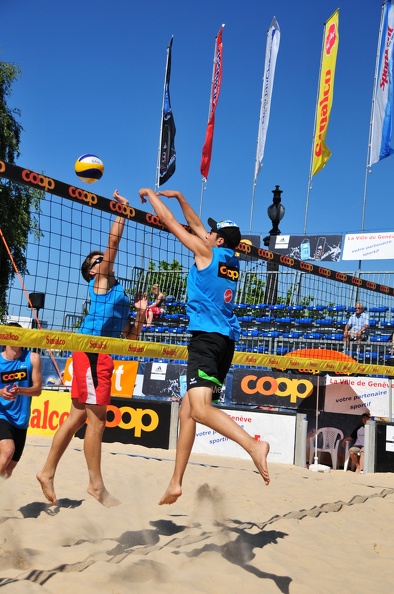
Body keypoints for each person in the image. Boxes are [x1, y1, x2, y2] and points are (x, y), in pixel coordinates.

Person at [138, 188, 270, 505]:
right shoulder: (229, 260)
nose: (205, 232)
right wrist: (181, 197)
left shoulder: (206, 253)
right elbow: (195, 224)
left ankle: (253, 446)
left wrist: (151, 195)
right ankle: (175, 483)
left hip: (206, 340)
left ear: (218, 240)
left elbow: (171, 223)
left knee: (198, 409)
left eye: (212, 232)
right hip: (225, 340)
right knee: (187, 411)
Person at [37, 189, 147, 507]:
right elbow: (113, 244)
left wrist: (139, 314)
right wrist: (122, 211)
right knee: (96, 420)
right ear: (92, 271)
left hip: (103, 354)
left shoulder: (119, 293)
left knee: (76, 418)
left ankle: (46, 472)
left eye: (103, 259)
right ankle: (96, 485)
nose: (105, 259)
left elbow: (132, 338)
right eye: (98, 260)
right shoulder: (100, 283)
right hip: (90, 352)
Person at [0, 322, 42, 478]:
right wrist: (1, 393)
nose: (17, 338)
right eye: (12, 335)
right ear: (5, 337)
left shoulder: (32, 358)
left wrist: (21, 390)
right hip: (2, 414)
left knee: (7, 472)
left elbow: (38, 390)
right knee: (7, 451)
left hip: (21, 421)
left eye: (19, 335)